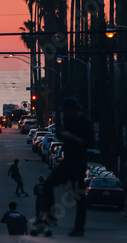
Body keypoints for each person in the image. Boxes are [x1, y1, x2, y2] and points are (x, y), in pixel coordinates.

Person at [43, 96, 94, 237]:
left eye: (66, 111)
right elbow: (68, 139)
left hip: (78, 162)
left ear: (73, 110)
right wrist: (62, 137)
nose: (64, 114)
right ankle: (51, 218)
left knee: (79, 196)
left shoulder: (85, 122)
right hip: (68, 160)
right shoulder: (69, 121)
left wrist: (71, 137)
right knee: (48, 185)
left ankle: (79, 228)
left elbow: (89, 144)